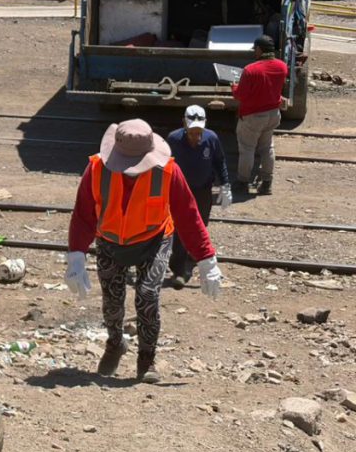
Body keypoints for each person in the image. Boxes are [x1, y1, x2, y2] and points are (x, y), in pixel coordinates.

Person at [64, 119, 222, 383]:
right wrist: (76, 256)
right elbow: (83, 214)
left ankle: (146, 359)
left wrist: (206, 259)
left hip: (154, 239)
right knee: (112, 302)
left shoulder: (168, 171)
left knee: (148, 295)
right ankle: (116, 343)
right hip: (109, 241)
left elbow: (188, 215)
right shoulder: (96, 169)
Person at [166, 105, 231, 290]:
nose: (196, 136)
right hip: (180, 191)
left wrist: (225, 184)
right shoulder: (173, 139)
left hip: (203, 190)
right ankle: (179, 270)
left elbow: (219, 161)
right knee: (180, 228)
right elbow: (163, 163)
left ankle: (192, 258)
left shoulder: (211, 139)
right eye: (192, 132)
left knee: (200, 225)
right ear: (184, 125)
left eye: (199, 132)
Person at [232, 34, 288, 195]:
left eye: (255, 49)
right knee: (267, 147)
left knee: (247, 149)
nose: (254, 52)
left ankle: (243, 182)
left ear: (259, 49)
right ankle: (267, 183)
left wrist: (234, 87)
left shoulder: (250, 70)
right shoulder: (282, 66)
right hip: (273, 114)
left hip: (253, 116)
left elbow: (240, 96)